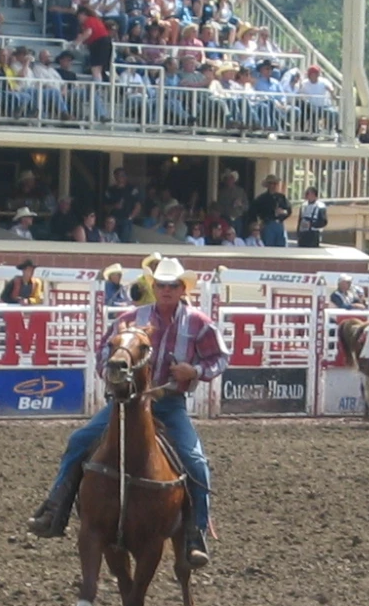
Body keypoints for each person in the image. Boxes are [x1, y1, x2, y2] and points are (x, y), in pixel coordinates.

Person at [26, 257, 224, 566]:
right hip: (127, 403)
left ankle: (195, 535)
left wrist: (194, 370)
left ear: (182, 288)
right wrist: (112, 374)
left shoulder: (198, 322)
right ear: (153, 286)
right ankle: (56, 507)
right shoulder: (131, 319)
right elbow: (105, 351)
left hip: (169, 404)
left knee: (196, 463)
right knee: (80, 440)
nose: (166, 290)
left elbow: (220, 358)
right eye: (160, 285)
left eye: (172, 285)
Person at [250, 174, 291, 248]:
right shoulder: (262, 199)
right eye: (273, 183)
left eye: (276, 183)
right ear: (268, 185)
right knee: (268, 246)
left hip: (279, 224)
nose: (275, 186)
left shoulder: (281, 197)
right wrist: (258, 223)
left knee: (281, 246)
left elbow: (288, 210)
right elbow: (253, 211)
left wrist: (283, 212)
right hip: (267, 224)